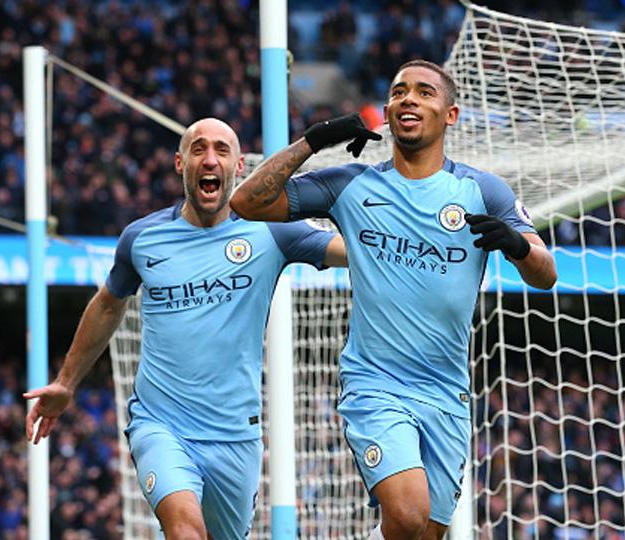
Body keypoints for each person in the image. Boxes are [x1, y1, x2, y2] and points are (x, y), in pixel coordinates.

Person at [230, 60, 557, 540]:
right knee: (405, 514)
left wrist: (516, 244)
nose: (409, 99)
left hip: (446, 393)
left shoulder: (482, 190)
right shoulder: (351, 185)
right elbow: (247, 203)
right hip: (376, 384)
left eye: (424, 92)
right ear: (386, 110)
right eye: (399, 91)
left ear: (451, 114)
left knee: (424, 531)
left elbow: (544, 275)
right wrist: (314, 141)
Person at [23, 118, 347, 540]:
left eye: (221, 150)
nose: (209, 158)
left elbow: (352, 251)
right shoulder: (143, 238)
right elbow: (108, 304)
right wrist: (66, 383)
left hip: (235, 435)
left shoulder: (272, 230)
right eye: (198, 149)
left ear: (239, 167)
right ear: (180, 163)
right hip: (161, 424)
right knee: (185, 531)